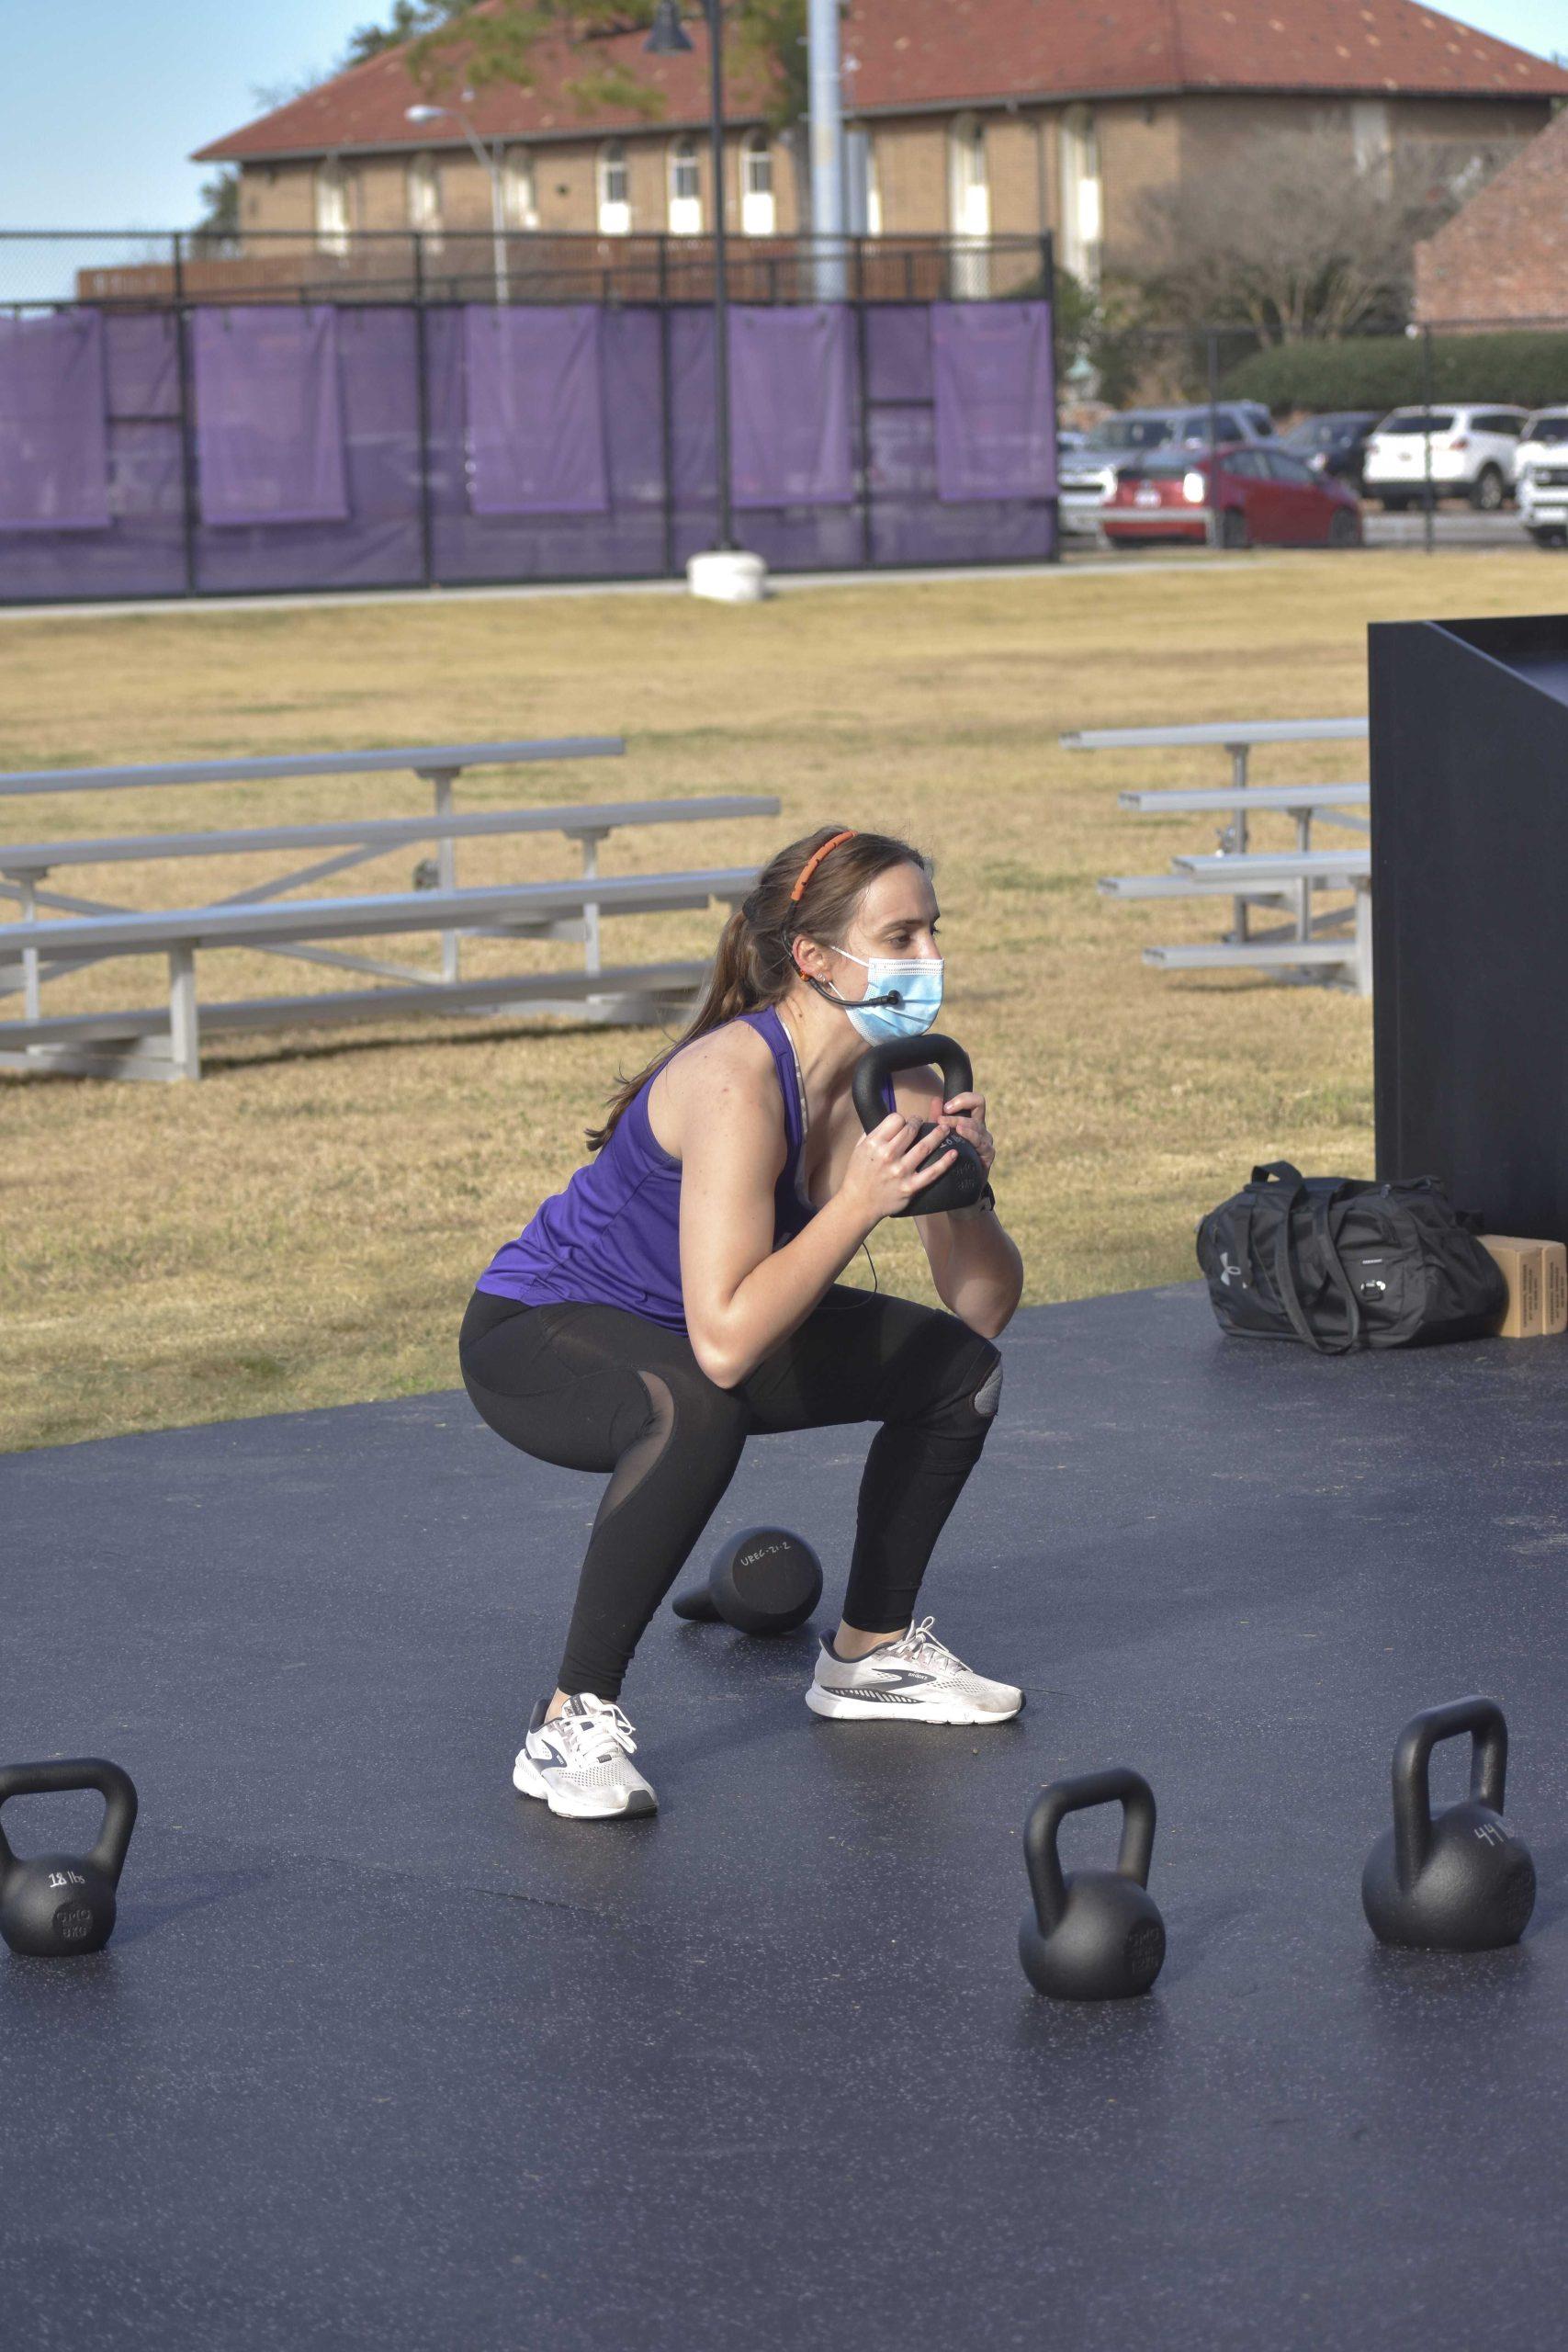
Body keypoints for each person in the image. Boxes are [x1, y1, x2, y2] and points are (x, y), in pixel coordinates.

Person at [458, 824, 1025, 1822]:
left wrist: (962, 1185)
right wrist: (859, 1201)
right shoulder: (736, 1079)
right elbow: (722, 1345)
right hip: (542, 1331)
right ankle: (565, 1722)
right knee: (696, 1407)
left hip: (700, 1327)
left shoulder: (907, 1075)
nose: (930, 960)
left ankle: (869, 1653)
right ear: (814, 958)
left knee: (960, 1371)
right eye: (899, 938)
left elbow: (981, 1307)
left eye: (934, 930)